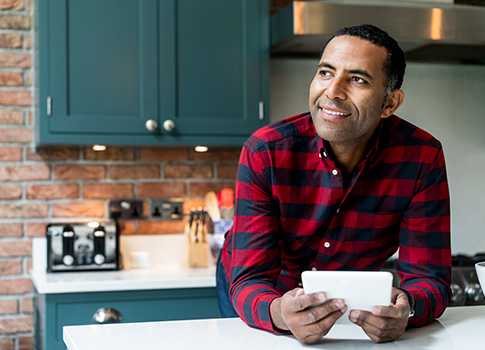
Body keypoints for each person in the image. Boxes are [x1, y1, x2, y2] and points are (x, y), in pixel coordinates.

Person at [216, 24, 451, 344]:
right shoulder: (265, 153)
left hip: (348, 303)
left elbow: (429, 279)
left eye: (357, 79)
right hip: (265, 294)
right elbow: (249, 280)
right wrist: (279, 312)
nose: (333, 91)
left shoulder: (422, 158)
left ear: (389, 104)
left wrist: (407, 308)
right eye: (326, 73)